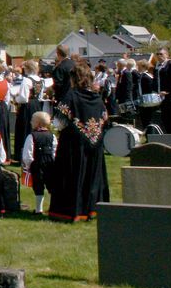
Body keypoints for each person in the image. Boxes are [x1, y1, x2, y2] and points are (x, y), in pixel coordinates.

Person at [48, 61, 110, 222]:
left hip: (73, 145)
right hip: (94, 144)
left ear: (74, 79)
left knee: (73, 177)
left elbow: (59, 122)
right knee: (91, 176)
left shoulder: (71, 96)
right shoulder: (97, 98)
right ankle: (91, 210)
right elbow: (104, 118)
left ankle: (72, 212)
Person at [21, 111, 57, 214]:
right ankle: (52, 207)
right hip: (50, 163)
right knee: (51, 185)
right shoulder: (52, 136)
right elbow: (55, 150)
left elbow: (27, 153)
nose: (31, 122)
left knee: (38, 185)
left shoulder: (31, 136)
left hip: (37, 163)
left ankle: (39, 209)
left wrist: (28, 165)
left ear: (38, 123)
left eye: (32, 121)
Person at [12, 60, 45, 157]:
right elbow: (40, 95)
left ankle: (22, 152)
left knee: (25, 127)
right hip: (37, 104)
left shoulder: (27, 80)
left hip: (28, 106)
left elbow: (23, 97)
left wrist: (16, 98)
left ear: (27, 69)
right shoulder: (40, 80)